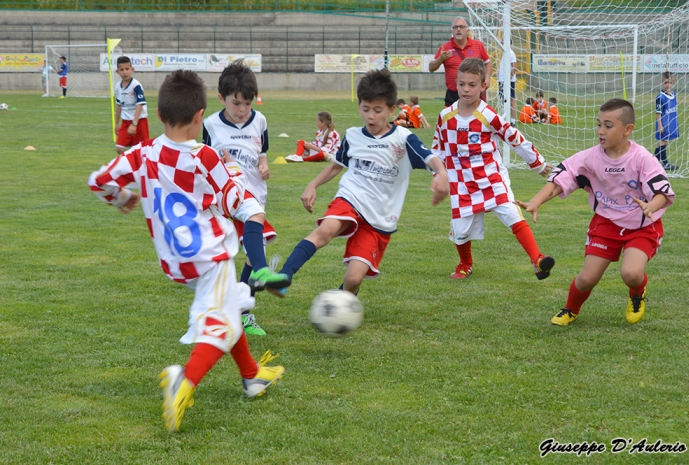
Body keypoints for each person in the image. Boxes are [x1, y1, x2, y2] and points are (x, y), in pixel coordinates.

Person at [87, 70, 285, 433]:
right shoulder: (205, 158)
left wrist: (123, 198)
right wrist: (251, 205)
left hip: (176, 261)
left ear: (160, 116)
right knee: (221, 323)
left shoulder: (143, 153)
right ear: (200, 117)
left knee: (228, 305)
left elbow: (97, 181)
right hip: (212, 256)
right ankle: (185, 381)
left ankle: (252, 375)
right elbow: (237, 201)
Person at [275, 68, 449, 297]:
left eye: (378, 110)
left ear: (391, 109)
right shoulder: (353, 135)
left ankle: (342, 302)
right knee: (325, 230)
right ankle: (283, 276)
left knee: (354, 278)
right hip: (351, 197)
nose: (371, 116)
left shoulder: (403, 139)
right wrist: (312, 185)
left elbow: (431, 158)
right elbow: (337, 165)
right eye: (365, 109)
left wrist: (442, 175)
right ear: (359, 106)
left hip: (379, 216)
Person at [516, 98, 675, 326]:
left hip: (642, 225)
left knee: (630, 273)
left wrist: (652, 206)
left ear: (628, 130)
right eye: (599, 124)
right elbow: (563, 178)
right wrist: (537, 201)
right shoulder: (590, 157)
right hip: (606, 222)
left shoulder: (643, 159)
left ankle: (637, 291)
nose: (601, 131)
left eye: (608, 126)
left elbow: (662, 191)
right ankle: (570, 309)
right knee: (587, 278)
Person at [432, 58, 554, 281]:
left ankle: (537, 259)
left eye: (472, 84)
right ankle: (465, 263)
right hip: (460, 182)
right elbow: (437, 149)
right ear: (455, 84)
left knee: (511, 214)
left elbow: (514, 138)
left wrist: (538, 163)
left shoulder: (489, 115)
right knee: (461, 229)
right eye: (461, 84)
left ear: (483, 86)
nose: (466, 89)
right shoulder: (445, 116)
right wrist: (438, 176)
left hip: (491, 178)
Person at [203, 60, 291, 337]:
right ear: (221, 98)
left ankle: (239, 312)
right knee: (248, 256)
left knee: (252, 259)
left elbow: (261, 151)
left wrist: (264, 165)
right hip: (229, 199)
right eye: (236, 103)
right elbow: (204, 161)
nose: (242, 110)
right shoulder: (210, 125)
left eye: (247, 104)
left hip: (256, 193)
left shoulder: (260, 121)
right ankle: (247, 298)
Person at [429, 16, 491, 107]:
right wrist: (440, 59)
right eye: (455, 27)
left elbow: (487, 63)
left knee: (476, 120)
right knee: (450, 120)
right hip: (453, 94)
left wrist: (487, 78)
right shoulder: (445, 48)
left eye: (461, 27)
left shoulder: (478, 45)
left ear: (467, 30)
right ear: (452, 31)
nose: (458, 29)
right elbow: (431, 68)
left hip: (474, 94)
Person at [114, 56, 150, 155]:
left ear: (132, 70)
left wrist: (134, 123)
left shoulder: (136, 85)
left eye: (127, 69)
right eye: (122, 70)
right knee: (119, 148)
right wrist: (116, 124)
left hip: (139, 121)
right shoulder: (117, 86)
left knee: (143, 150)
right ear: (117, 72)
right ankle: (131, 164)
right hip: (125, 122)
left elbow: (140, 104)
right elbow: (119, 105)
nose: (125, 72)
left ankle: (141, 166)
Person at [654, 71, 679, 170]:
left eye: (670, 82)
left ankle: (654, 162)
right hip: (663, 123)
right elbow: (658, 112)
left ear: (673, 83)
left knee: (663, 142)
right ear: (662, 83)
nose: (668, 85)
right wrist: (660, 125)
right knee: (663, 142)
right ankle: (665, 163)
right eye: (665, 83)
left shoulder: (674, 94)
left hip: (671, 123)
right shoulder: (660, 97)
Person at [498, 45, 517, 125]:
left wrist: (509, 78)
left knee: (511, 100)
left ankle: (512, 121)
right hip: (502, 80)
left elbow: (514, 67)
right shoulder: (504, 52)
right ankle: (505, 118)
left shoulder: (511, 53)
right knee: (503, 100)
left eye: (502, 40)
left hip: (508, 81)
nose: (501, 42)